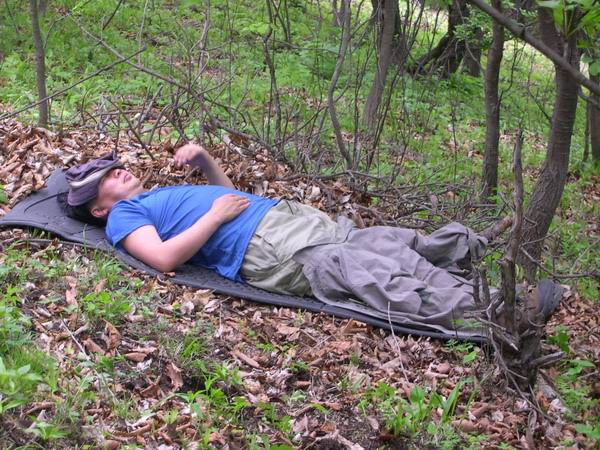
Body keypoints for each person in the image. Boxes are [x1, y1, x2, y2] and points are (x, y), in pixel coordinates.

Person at [64, 144, 561, 336]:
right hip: (270, 248)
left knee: (392, 244)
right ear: (99, 209)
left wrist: (205, 164)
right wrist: (214, 216)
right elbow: (163, 259)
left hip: (288, 221)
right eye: (105, 178)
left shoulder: (154, 196)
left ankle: (478, 268)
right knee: (373, 275)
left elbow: (230, 198)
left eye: (114, 166)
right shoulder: (123, 217)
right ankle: (501, 315)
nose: (116, 171)